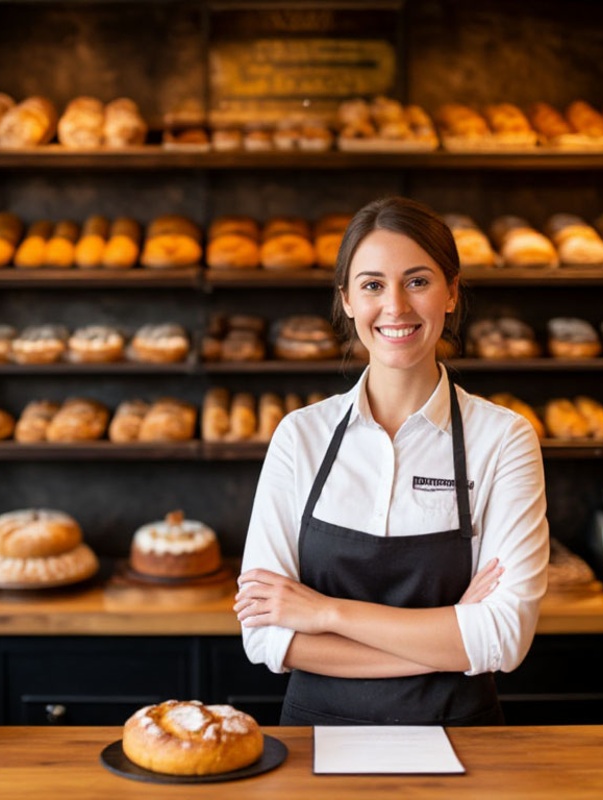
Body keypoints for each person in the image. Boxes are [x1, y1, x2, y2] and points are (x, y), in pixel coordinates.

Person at [234, 196, 550, 726]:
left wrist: (323, 613)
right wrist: (450, 635)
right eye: (373, 285)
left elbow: (503, 639)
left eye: (418, 281)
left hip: (463, 740)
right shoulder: (299, 437)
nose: (396, 307)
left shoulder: (504, 439)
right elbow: (266, 636)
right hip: (315, 740)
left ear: (451, 293)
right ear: (348, 300)